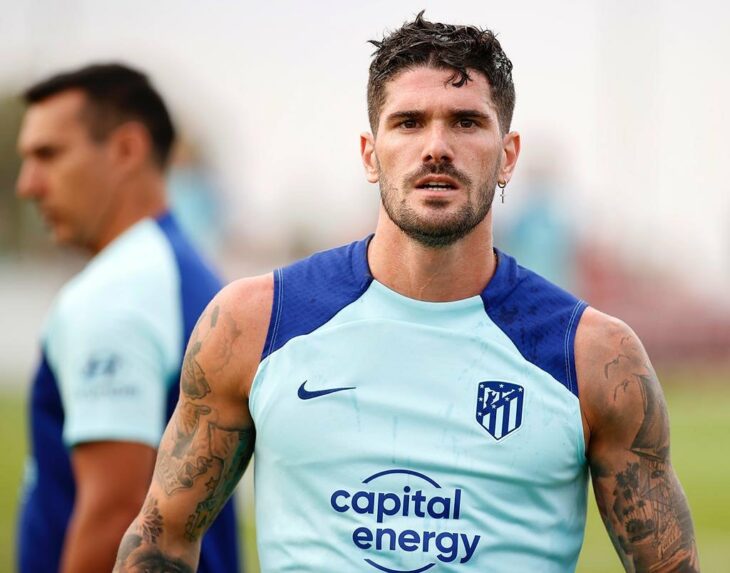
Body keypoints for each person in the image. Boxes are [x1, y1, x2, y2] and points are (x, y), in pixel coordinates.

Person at [114, 13, 699, 573]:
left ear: (507, 156)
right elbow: (161, 544)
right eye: (409, 122)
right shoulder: (253, 323)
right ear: (371, 155)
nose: (437, 147)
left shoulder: (596, 357)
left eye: (467, 122)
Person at [15, 63, 240, 573]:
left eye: (47, 155)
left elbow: (114, 512)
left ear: (126, 149)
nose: (28, 184)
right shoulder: (186, 269)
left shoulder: (118, 290)